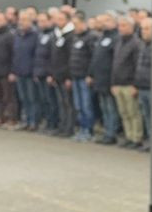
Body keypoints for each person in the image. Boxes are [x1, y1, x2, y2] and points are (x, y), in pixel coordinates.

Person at [112, 15, 144, 148]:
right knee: (124, 112)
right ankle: (128, 135)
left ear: (131, 27)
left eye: (124, 26)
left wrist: (135, 84)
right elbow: (114, 63)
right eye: (119, 26)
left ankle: (136, 137)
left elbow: (138, 65)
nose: (121, 28)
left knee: (133, 112)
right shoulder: (119, 41)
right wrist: (113, 83)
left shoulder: (136, 43)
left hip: (129, 84)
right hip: (118, 83)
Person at [90, 13, 119, 144]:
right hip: (99, 78)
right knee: (104, 107)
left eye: (108, 20)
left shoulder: (116, 38)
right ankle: (107, 131)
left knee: (111, 107)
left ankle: (111, 133)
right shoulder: (102, 37)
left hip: (109, 79)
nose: (105, 23)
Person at [68, 12, 97, 141]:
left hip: (85, 76)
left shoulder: (90, 37)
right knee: (78, 105)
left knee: (86, 105)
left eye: (76, 24)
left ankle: (88, 130)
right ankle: (81, 129)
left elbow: (93, 58)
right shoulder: (75, 37)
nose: (75, 27)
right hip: (75, 75)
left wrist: (90, 74)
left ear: (83, 23)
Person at [11, 9, 39, 131]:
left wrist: (35, 71)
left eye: (24, 20)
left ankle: (33, 121)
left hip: (30, 72)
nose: (21, 22)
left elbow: (37, 55)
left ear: (30, 21)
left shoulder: (35, 35)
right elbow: (14, 54)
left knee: (32, 98)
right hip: (19, 72)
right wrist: (14, 70)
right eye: (20, 20)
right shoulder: (17, 35)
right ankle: (26, 120)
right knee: (23, 98)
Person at [49, 9, 75, 137]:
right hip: (57, 74)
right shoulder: (56, 34)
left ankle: (69, 127)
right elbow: (53, 56)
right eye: (57, 19)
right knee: (61, 102)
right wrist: (52, 74)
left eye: (61, 19)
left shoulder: (71, 35)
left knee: (68, 103)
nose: (58, 21)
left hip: (66, 76)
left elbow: (71, 57)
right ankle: (62, 125)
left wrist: (69, 76)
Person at [133, 16, 152, 153]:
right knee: (146, 115)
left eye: (147, 29)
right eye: (142, 29)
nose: (144, 31)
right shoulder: (142, 45)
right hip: (142, 85)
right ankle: (150, 140)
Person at [33, 11, 58, 133]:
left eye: (43, 21)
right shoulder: (40, 35)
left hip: (48, 73)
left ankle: (53, 123)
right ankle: (47, 122)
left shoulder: (53, 35)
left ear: (49, 21)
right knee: (43, 99)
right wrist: (36, 72)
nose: (41, 24)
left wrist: (50, 74)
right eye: (39, 21)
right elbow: (38, 55)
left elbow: (53, 57)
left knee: (51, 100)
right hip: (40, 72)